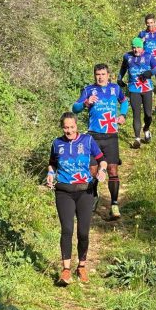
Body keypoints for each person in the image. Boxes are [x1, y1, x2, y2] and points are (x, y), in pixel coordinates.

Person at [46, 112, 108, 286]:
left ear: (76, 126)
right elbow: (52, 162)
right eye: (66, 127)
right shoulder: (56, 143)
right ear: (62, 127)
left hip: (85, 191)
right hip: (63, 191)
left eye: (71, 127)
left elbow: (102, 160)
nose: (69, 130)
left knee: (83, 232)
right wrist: (50, 173)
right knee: (66, 229)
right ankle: (66, 270)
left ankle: (81, 265)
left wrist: (102, 171)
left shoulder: (87, 141)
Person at [73, 64, 128, 220]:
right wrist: (85, 103)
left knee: (112, 170)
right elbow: (75, 108)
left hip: (111, 136)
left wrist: (123, 115)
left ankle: (114, 204)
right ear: (94, 75)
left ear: (108, 75)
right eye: (97, 74)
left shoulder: (115, 88)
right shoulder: (88, 90)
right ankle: (94, 196)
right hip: (94, 136)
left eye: (103, 74)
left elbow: (124, 102)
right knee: (93, 171)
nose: (100, 77)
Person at [118, 37, 156, 149]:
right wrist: (119, 79)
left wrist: (150, 72)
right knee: (136, 113)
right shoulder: (127, 57)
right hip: (133, 89)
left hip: (147, 89)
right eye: (134, 47)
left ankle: (146, 129)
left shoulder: (148, 56)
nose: (136, 50)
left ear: (142, 47)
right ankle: (137, 138)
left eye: (138, 47)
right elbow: (123, 68)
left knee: (148, 114)